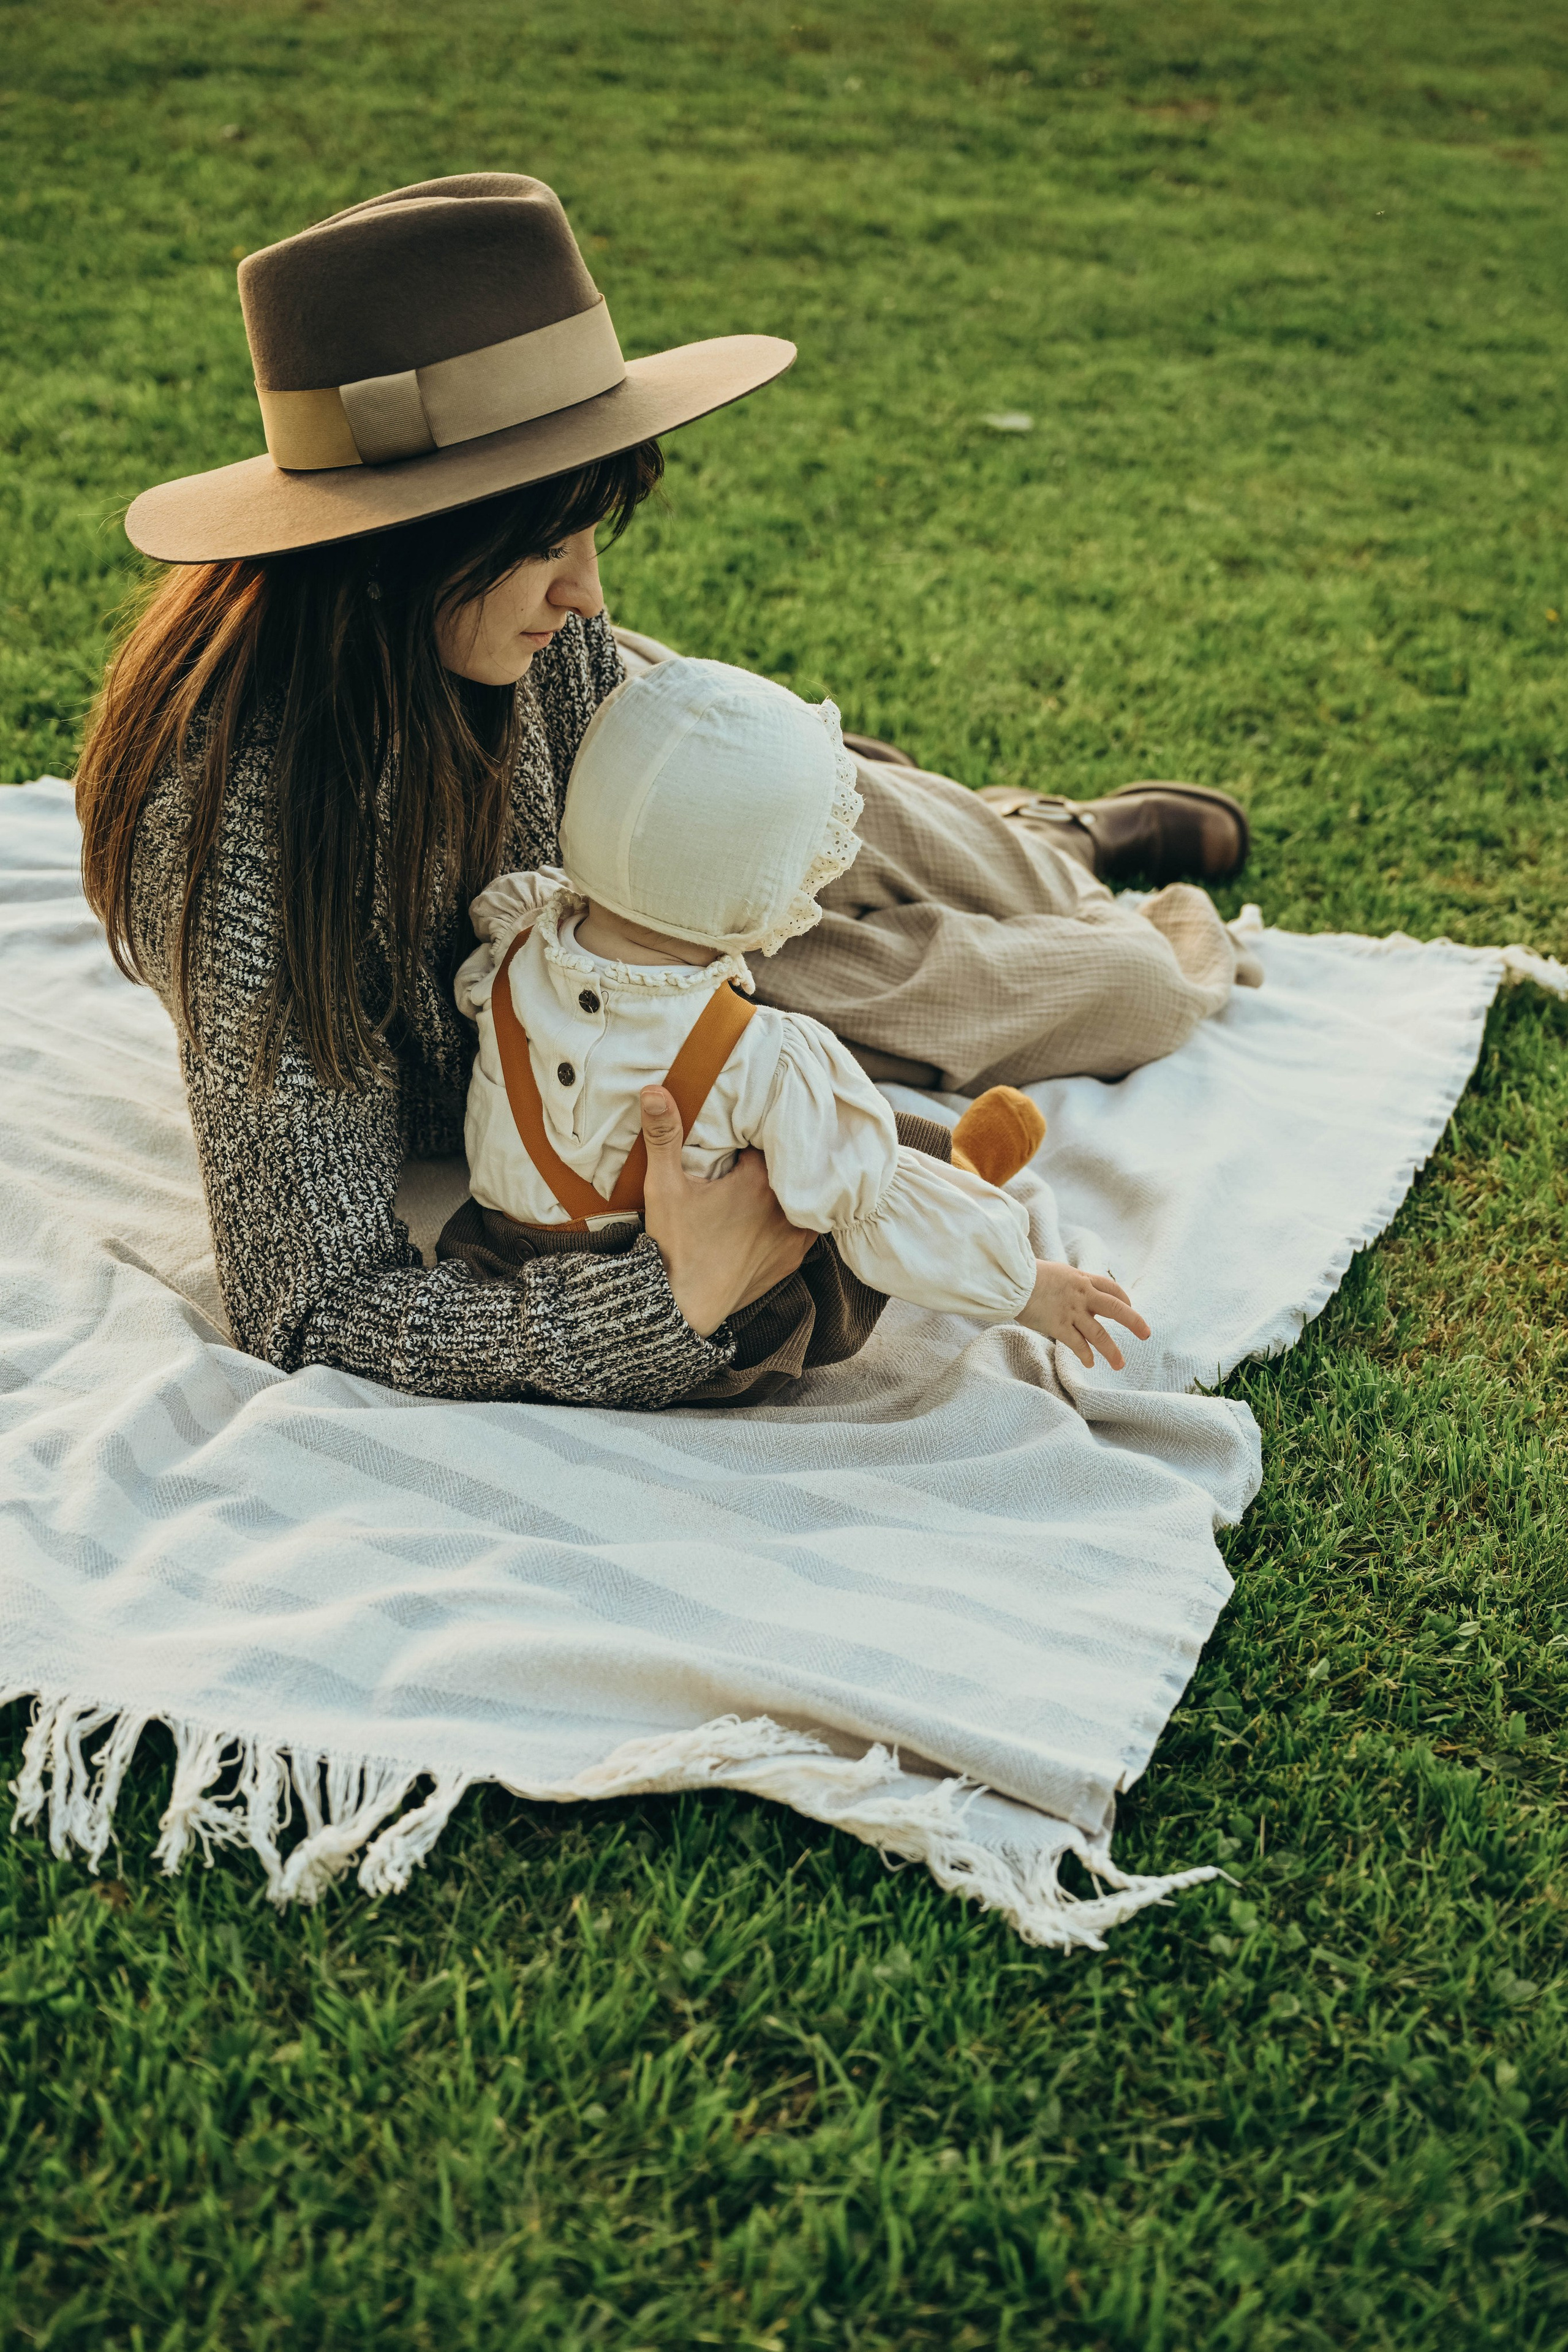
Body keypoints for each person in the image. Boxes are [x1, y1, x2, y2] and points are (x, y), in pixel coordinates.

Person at [75, 172, 1248, 1408]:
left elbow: (634, 758)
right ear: (392, 544)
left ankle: (1051, 833)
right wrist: (668, 1305)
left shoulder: (528, 624)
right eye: (546, 541)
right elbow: (311, 1304)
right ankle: (1045, 865)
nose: (586, 589)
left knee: (906, 827)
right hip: (591, 999)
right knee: (1132, 990)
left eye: (591, 531)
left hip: (643, 853)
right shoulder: (237, 838)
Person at [443, 656, 1149, 1403]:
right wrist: (1024, 1285)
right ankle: (963, 1176)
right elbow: (868, 1205)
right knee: (852, 1155)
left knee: (809, 1134)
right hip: (707, 1326)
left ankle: (952, 1176)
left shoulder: (514, 941)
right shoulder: (764, 1056)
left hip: (499, 1267)